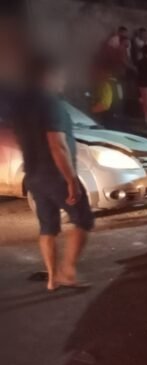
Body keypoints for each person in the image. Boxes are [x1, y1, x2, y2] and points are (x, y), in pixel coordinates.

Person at [14, 55, 95, 291]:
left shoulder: (23, 108)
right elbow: (56, 144)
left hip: (33, 174)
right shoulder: (52, 105)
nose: (63, 81)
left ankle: (51, 278)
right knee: (83, 218)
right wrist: (71, 180)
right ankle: (67, 271)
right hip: (56, 174)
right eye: (60, 75)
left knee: (48, 227)